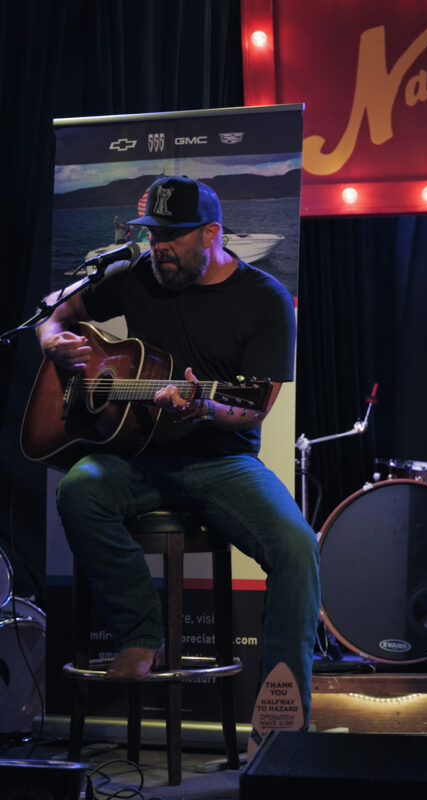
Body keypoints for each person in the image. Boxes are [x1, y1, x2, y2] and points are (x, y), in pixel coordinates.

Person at [37, 176, 320, 725]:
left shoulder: (265, 299)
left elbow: (254, 408)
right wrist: (53, 342)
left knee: (296, 546)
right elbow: (54, 311)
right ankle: (141, 635)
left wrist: (204, 408)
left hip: (222, 462)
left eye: (172, 236)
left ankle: (281, 719)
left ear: (211, 233)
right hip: (138, 458)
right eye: (152, 234)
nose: (158, 247)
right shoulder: (136, 276)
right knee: (79, 490)